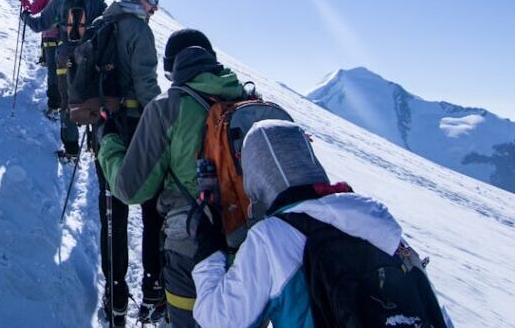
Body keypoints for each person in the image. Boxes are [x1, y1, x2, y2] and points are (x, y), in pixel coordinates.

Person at [190, 120, 453, 328]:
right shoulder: (375, 219)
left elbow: (217, 319)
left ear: (257, 176)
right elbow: (432, 308)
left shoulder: (271, 238)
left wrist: (208, 250)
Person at [98, 30, 244, 327]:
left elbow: (130, 188)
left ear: (173, 69)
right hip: (250, 246)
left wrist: (108, 143)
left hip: (192, 247)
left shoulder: (167, 107)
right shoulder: (246, 100)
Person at [83, 0, 164, 326]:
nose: (155, 9)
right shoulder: (138, 30)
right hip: (136, 127)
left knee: (112, 215)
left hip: (105, 127)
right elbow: (146, 85)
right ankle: (153, 290)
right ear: (137, 0)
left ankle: (115, 296)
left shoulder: (103, 23)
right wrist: (164, 121)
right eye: (152, 1)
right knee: (152, 209)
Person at [23, 0, 105, 157]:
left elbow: (39, 25)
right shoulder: (97, 1)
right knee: (92, 99)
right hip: (89, 58)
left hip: (65, 58)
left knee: (66, 100)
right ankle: (96, 147)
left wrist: (26, 17)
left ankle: (71, 150)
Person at [21, 0, 69, 114]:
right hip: (65, 39)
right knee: (65, 71)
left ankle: (53, 106)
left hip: (49, 37)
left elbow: (33, 9)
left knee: (53, 71)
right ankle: (66, 106)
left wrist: (23, 1)